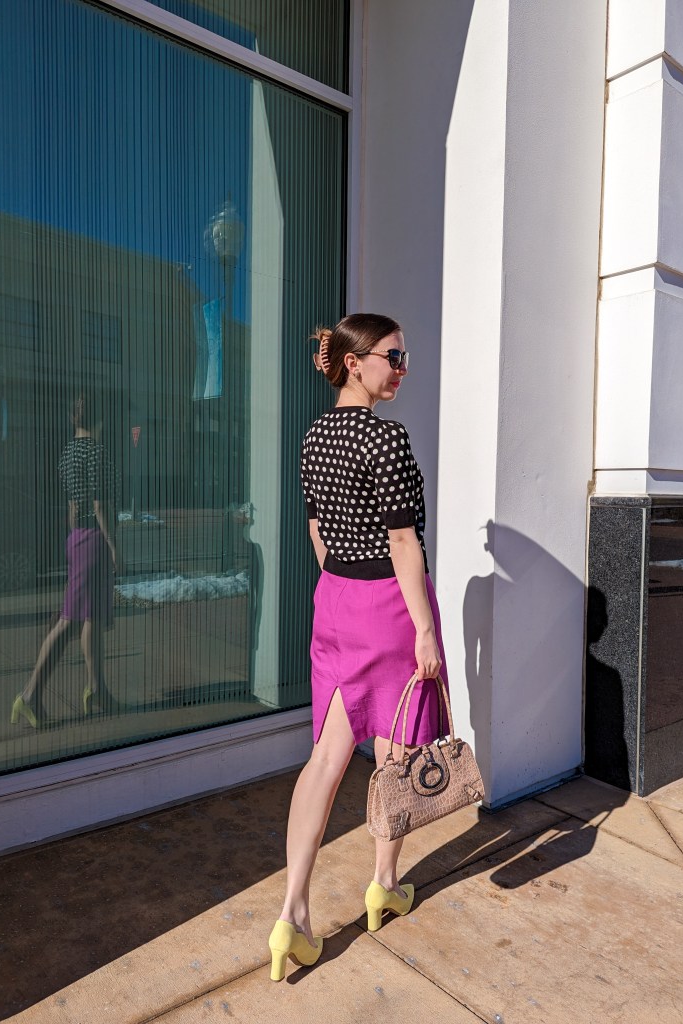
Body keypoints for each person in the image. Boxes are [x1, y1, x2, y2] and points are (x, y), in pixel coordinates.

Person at [268, 313, 448, 981]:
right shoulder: (386, 437)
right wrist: (424, 628)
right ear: (354, 362)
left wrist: (339, 584)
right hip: (386, 609)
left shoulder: (315, 436)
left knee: (325, 758)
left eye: (404, 357)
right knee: (395, 757)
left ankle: (291, 913)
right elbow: (404, 542)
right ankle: (384, 883)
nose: (401, 368)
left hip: (335, 600)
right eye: (392, 357)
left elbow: (317, 529)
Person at [10, 391, 119, 728]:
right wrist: (114, 548)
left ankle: (97, 689)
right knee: (70, 620)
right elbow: (100, 506)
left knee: (91, 616)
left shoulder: (68, 453)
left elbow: (74, 506)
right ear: (100, 420)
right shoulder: (97, 453)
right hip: (93, 540)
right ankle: (29, 695)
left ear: (74, 419)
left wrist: (76, 540)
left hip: (76, 538)